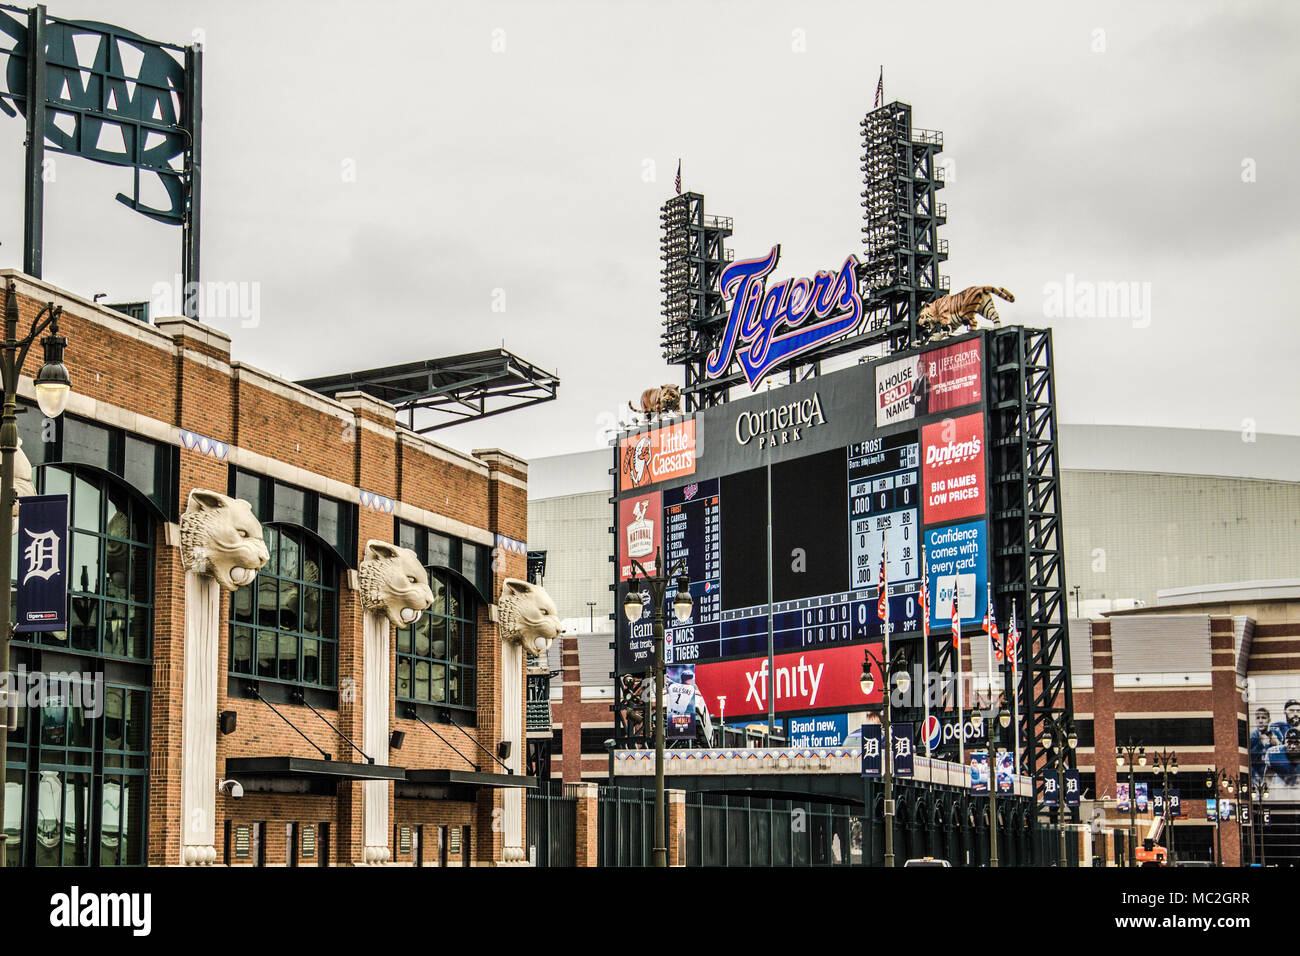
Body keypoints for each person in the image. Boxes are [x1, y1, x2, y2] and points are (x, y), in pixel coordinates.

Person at [1251, 707, 1280, 783]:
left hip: (1274, 778)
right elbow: (1248, 759)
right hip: (1257, 780)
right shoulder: (1252, 736)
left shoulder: (1276, 734)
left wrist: (1277, 744)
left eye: (1263, 718)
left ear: (1269, 720)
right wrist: (1261, 744)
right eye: (1258, 718)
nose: (1260, 721)